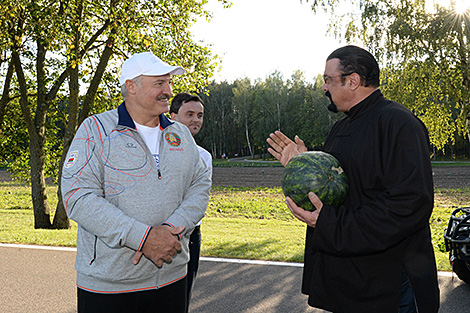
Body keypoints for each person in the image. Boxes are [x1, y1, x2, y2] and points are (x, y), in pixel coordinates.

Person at [267, 45, 439, 313]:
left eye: (328, 79)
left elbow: (409, 204)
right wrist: (305, 165)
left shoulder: (399, 124)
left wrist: (330, 223)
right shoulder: (341, 128)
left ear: (353, 80)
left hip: (390, 286)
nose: (324, 87)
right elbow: (345, 188)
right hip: (350, 284)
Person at [61, 52, 212, 313]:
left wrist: (170, 230)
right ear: (131, 86)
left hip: (172, 277)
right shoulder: (95, 130)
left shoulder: (180, 134)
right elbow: (78, 196)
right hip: (109, 284)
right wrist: (143, 238)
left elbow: (200, 184)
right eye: (159, 84)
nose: (168, 91)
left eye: (169, 83)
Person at [169, 92, 212, 309]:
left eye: (200, 115)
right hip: (159, 232)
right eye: (190, 114)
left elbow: (200, 200)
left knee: (182, 297)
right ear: (173, 116)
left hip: (191, 234)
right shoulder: (156, 151)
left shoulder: (204, 156)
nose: (196, 120)